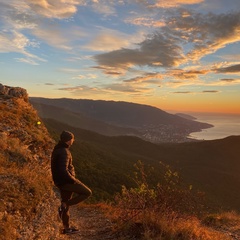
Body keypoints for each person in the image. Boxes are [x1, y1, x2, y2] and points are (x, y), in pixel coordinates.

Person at [51, 130, 92, 234]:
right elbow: (63, 170)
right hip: (66, 182)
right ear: (69, 140)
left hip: (60, 181)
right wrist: (73, 180)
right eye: (72, 139)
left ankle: (66, 228)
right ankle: (64, 204)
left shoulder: (58, 149)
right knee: (87, 192)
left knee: (66, 206)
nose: (73, 140)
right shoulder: (64, 151)